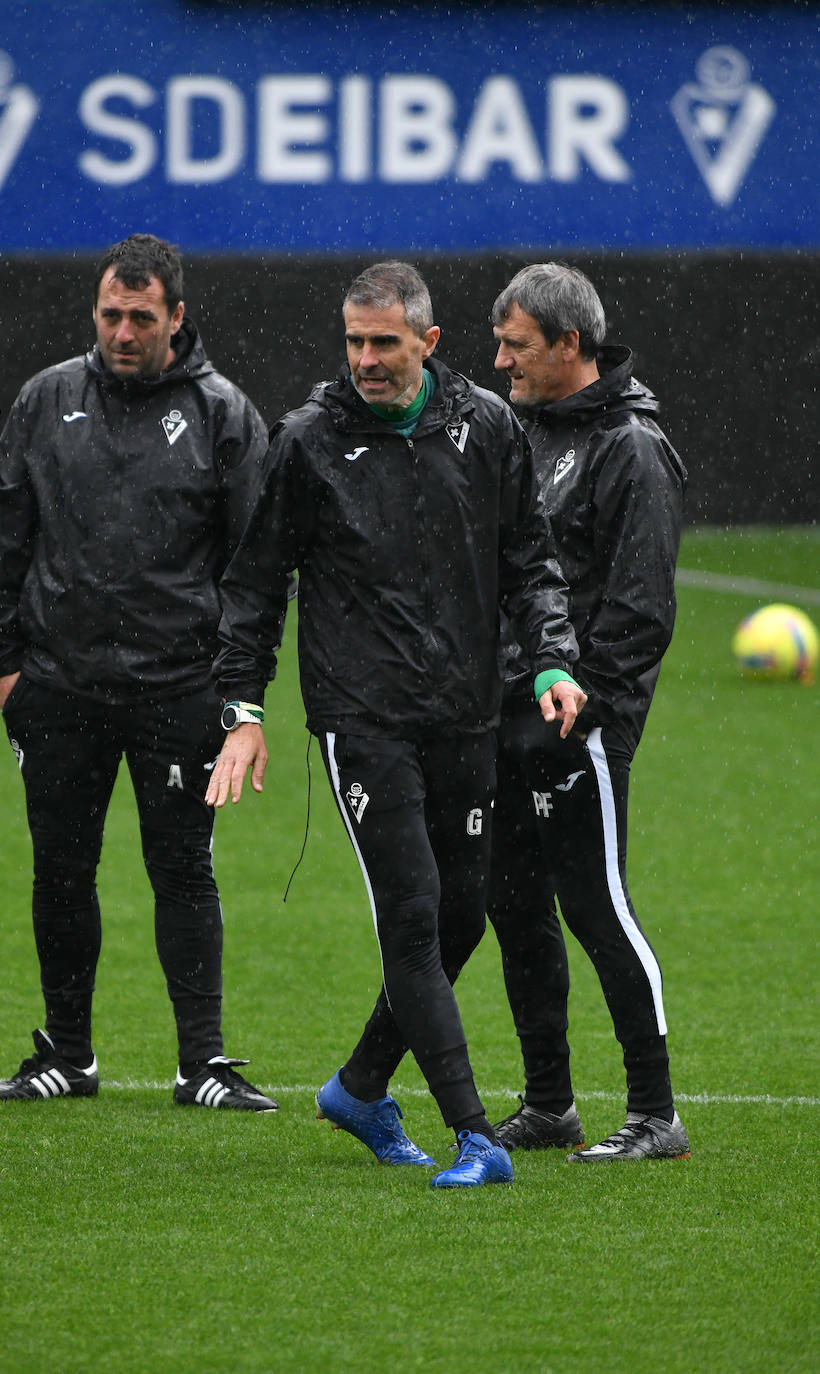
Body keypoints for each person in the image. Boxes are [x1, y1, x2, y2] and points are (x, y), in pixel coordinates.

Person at [205, 261, 586, 1188]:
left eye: (384, 342)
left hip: (463, 716)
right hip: (363, 720)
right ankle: (476, 1137)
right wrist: (242, 712)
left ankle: (361, 1086)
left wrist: (551, 657)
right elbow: (256, 587)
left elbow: (530, 561)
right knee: (414, 917)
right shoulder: (306, 442)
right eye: (353, 341)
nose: (366, 360)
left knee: (463, 920)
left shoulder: (487, 429)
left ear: (428, 342)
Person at [0, 233, 278, 1112]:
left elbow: (255, 571)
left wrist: (235, 695)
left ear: (177, 318)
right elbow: (1, 543)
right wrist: (4, 675)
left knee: (182, 871)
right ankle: (66, 1053)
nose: (124, 331)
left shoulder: (224, 415)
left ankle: (203, 1066)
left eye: (142, 317)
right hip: (57, 688)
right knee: (58, 871)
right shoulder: (45, 401)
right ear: (95, 311)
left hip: (178, 689)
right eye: (111, 314)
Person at [487, 262, 690, 1161]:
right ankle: (549, 1103)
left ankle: (655, 1114)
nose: (501, 363)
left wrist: (582, 707)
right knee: (515, 906)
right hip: (504, 713)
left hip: (580, 724)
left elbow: (642, 610)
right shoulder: (519, 431)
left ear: (572, 345)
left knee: (594, 905)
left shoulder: (630, 448)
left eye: (517, 345)